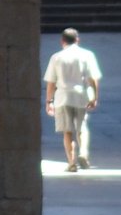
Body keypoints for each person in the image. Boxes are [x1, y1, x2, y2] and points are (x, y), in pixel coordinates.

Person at [43, 28, 101, 172]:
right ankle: (84, 153)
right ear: (77, 40)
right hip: (81, 95)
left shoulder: (56, 57)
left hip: (62, 97)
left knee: (67, 131)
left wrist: (48, 101)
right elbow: (93, 79)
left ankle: (71, 162)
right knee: (82, 127)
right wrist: (94, 96)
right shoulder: (87, 55)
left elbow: (51, 82)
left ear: (62, 41)